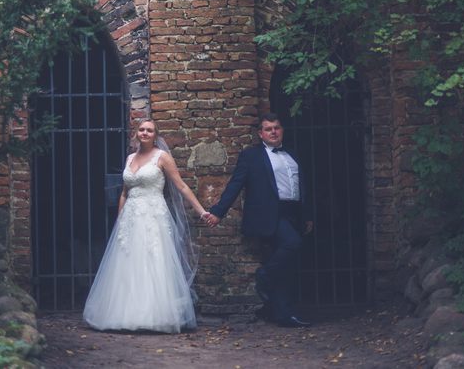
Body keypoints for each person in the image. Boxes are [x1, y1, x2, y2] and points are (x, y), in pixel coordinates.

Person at [83, 118, 211, 333]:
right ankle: (125, 314)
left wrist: (201, 210)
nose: (144, 133)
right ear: (136, 133)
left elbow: (180, 186)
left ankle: (155, 315)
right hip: (130, 217)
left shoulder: (162, 157)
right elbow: (124, 192)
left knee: (153, 261)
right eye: (141, 129)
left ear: (155, 135)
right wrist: (120, 219)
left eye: (149, 130)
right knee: (127, 262)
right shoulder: (130, 158)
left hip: (153, 216)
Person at [207, 113, 313, 327]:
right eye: (268, 129)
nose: (273, 132)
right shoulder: (251, 156)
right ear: (260, 134)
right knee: (292, 243)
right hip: (270, 214)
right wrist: (218, 211)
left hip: (293, 212)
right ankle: (263, 275)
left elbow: (302, 187)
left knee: (285, 267)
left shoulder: (292, 154)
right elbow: (236, 184)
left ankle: (283, 315)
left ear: (282, 130)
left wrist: (307, 215)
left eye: (276, 127)